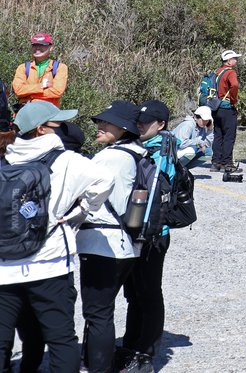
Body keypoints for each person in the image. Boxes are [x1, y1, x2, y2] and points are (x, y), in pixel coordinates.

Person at [0, 100, 114, 373]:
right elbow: (105, 180)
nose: (63, 129)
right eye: (58, 124)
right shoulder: (68, 161)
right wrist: (83, 209)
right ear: (41, 129)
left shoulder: (4, 158)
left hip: (4, 269)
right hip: (49, 265)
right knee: (62, 340)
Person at [77, 100, 143, 373]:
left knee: (98, 314)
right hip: (124, 245)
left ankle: (98, 368)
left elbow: (83, 193)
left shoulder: (111, 157)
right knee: (101, 311)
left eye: (108, 122)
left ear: (124, 128)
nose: (100, 126)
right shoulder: (137, 153)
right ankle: (91, 362)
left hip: (102, 244)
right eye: (100, 121)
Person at [115, 100, 176, 373]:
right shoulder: (139, 146)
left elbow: (155, 192)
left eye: (145, 123)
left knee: (149, 294)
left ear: (160, 124)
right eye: (138, 122)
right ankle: (130, 346)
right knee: (134, 294)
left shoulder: (163, 149)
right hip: (133, 231)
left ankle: (147, 355)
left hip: (153, 234)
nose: (139, 127)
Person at [11, 33, 68, 106]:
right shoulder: (23, 68)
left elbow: (57, 92)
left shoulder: (60, 67)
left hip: (49, 114)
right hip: (26, 114)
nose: (37, 48)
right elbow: (18, 90)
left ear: (51, 48)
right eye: (35, 45)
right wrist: (42, 86)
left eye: (42, 45)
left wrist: (31, 95)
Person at [210, 49, 242, 175]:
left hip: (216, 107)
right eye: (234, 58)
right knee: (229, 136)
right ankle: (227, 164)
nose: (236, 60)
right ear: (228, 61)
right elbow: (234, 86)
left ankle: (216, 162)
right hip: (227, 107)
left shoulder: (218, 71)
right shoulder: (230, 72)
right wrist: (234, 100)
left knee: (218, 135)